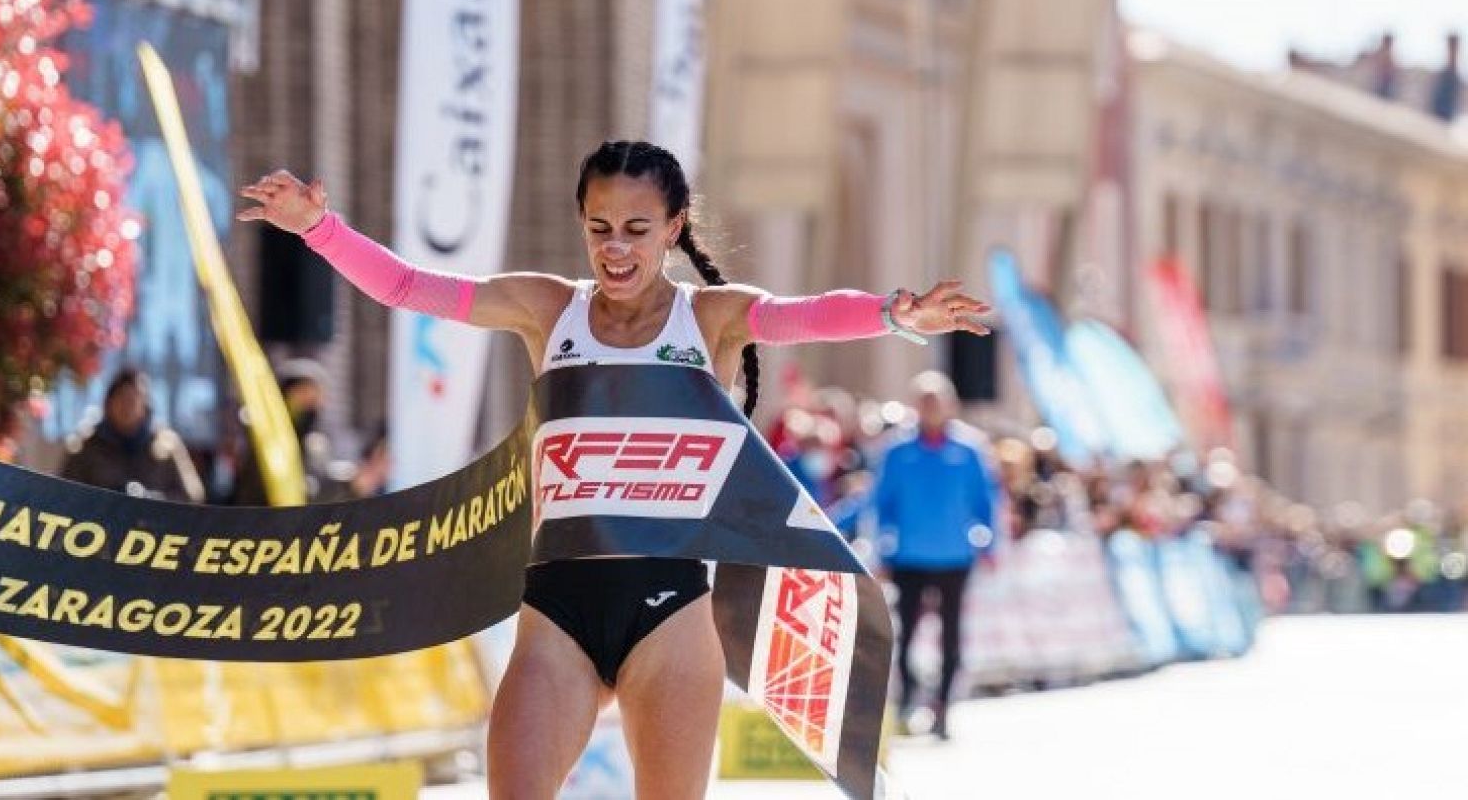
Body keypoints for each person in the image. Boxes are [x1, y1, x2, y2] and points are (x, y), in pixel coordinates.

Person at [237, 140, 990, 799]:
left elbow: (801, 313)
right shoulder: (546, 309)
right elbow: (410, 287)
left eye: (636, 230)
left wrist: (895, 315)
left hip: (668, 619)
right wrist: (318, 229)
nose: (616, 248)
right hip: (555, 614)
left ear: (673, 228)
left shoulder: (710, 318)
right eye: (599, 229)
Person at [871, 370, 997, 739]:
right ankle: (908, 700)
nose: (930, 408)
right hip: (908, 557)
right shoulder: (896, 451)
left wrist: (988, 544)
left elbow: (986, 502)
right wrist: (881, 549)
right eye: (924, 401)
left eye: (937, 401)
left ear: (950, 405)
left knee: (951, 637)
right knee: (906, 634)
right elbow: (881, 505)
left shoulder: (970, 450)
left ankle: (943, 706)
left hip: (955, 557)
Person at [60, 368, 205, 503]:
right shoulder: (86, 446)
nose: (127, 407)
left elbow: (192, 496)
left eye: (133, 400)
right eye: (122, 399)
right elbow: (65, 495)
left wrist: (150, 500)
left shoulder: (166, 446)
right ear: (109, 404)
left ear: (144, 406)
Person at [229, 358, 336, 505]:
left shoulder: (315, 444)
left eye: (314, 397)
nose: (309, 403)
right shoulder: (259, 431)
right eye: (303, 393)